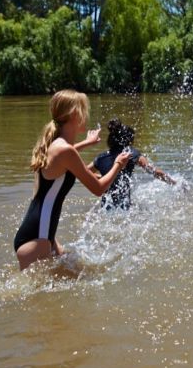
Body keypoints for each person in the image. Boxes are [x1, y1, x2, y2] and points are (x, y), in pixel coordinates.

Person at [14, 90, 131, 271]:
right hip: (39, 239)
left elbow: (64, 156)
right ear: (75, 114)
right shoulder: (64, 151)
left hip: (41, 236)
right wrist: (118, 164)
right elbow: (98, 188)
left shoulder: (55, 145)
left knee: (78, 276)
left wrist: (86, 143)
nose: (87, 116)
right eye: (85, 110)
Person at [88, 118, 176, 210]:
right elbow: (154, 171)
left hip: (105, 207)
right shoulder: (130, 154)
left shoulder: (101, 158)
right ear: (128, 141)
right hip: (125, 207)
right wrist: (174, 183)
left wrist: (102, 178)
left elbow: (84, 172)